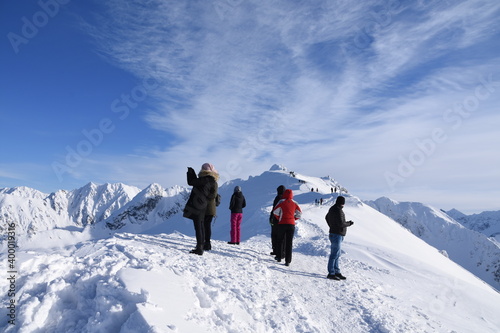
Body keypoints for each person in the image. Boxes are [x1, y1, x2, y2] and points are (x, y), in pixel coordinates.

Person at [183, 163, 219, 255]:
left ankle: (199, 248)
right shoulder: (212, 181)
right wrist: (206, 197)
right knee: (203, 226)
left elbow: (191, 182)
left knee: (199, 227)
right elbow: (212, 194)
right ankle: (203, 245)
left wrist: (190, 172)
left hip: (198, 206)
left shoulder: (204, 180)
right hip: (204, 206)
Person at [325, 196, 354, 280]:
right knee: (334, 254)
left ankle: (336, 271)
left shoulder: (332, 208)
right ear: (342, 203)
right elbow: (341, 224)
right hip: (337, 234)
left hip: (335, 233)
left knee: (336, 254)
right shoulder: (338, 210)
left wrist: (331, 226)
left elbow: (326, 217)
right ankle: (331, 273)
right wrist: (349, 223)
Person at [273, 189, 301, 266]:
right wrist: (293, 218)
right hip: (291, 224)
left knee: (280, 240)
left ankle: (279, 257)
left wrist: (279, 218)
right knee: (289, 242)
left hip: (282, 223)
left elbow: (275, 212)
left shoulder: (281, 202)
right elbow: (299, 214)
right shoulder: (295, 203)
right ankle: (287, 261)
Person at [269, 185, 285, 256]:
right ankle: (282, 251)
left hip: (276, 219)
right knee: (282, 236)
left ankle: (275, 250)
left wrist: (271, 218)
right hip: (283, 219)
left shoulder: (278, 198)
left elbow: (274, 209)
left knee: (275, 235)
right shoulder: (285, 199)